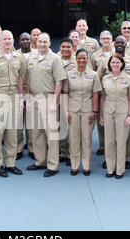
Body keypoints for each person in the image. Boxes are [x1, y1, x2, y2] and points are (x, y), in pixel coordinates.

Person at [0, 30, 26, 177]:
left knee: (12, 133)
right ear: (0, 41)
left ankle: (10, 164)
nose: (7, 41)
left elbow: (21, 78)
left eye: (9, 38)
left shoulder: (18, 57)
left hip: (14, 96)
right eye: (5, 39)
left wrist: (21, 98)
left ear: (13, 40)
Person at [25, 32, 67, 177]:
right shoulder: (32, 57)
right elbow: (28, 79)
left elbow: (59, 81)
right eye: (40, 41)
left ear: (50, 43)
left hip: (48, 98)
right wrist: (28, 96)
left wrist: (54, 102)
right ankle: (40, 161)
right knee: (37, 132)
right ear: (36, 43)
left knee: (52, 134)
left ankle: (53, 165)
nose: (42, 44)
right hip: (34, 98)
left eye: (45, 42)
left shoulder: (55, 59)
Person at [98, 36, 130, 168]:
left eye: (122, 42)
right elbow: (98, 80)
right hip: (110, 103)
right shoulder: (106, 60)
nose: (120, 44)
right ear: (113, 44)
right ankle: (110, 160)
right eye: (117, 42)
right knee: (110, 136)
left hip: (127, 102)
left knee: (125, 136)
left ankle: (125, 159)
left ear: (127, 44)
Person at [62, 48, 101, 176]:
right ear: (76, 59)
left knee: (86, 139)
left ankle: (86, 165)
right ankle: (74, 165)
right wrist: (66, 111)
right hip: (73, 110)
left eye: (84, 58)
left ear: (87, 59)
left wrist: (95, 111)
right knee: (73, 139)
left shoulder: (93, 74)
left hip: (88, 110)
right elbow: (65, 93)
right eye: (79, 58)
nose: (82, 60)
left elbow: (96, 94)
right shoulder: (69, 74)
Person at [90, 30, 114, 156]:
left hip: (116, 90)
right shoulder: (95, 55)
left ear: (112, 40)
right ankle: (102, 145)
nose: (106, 40)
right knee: (101, 118)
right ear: (99, 40)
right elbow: (94, 73)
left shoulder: (117, 54)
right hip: (102, 90)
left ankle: (113, 145)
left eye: (108, 38)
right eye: (103, 38)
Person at [58, 38, 77, 166]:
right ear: (60, 47)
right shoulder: (55, 60)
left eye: (68, 47)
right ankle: (63, 152)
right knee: (59, 126)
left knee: (71, 128)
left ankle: (72, 154)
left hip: (72, 98)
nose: (65, 49)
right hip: (57, 97)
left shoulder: (78, 61)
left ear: (72, 48)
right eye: (63, 46)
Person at [16, 33, 34, 159]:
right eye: (23, 39)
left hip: (32, 92)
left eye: (27, 39)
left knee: (31, 123)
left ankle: (32, 148)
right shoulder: (14, 55)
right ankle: (18, 149)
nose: (25, 41)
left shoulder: (37, 54)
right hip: (17, 92)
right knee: (17, 123)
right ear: (19, 41)